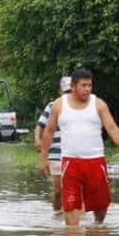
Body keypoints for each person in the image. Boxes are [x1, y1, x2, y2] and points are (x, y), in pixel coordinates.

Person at [40, 68, 119, 226]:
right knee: (71, 205)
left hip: (95, 162)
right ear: (73, 86)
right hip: (70, 162)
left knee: (101, 205)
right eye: (83, 85)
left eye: (90, 85)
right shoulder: (59, 105)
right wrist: (43, 158)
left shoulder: (98, 104)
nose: (87, 89)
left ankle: (98, 228)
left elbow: (112, 128)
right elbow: (49, 131)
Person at [35, 76, 72, 211]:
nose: (68, 94)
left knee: (78, 191)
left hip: (75, 154)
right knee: (58, 192)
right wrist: (37, 139)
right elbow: (40, 126)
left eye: (70, 91)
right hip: (56, 154)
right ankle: (56, 216)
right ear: (60, 92)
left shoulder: (82, 107)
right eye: (66, 91)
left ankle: (77, 223)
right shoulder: (53, 106)